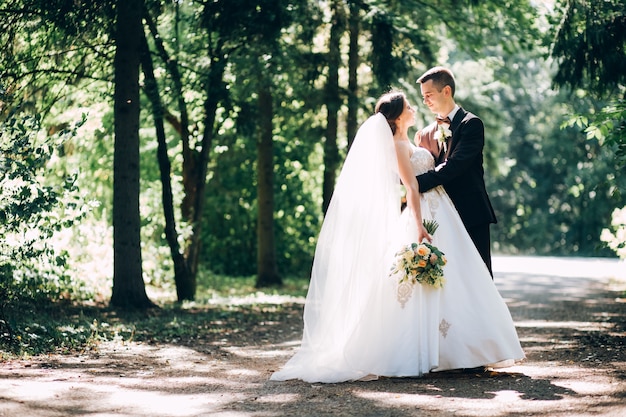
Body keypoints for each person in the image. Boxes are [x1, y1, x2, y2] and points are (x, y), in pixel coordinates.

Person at [270, 91, 524, 384]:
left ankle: (459, 351)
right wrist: (419, 226)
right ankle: (427, 351)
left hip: (443, 210)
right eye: (409, 105)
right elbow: (411, 188)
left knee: (459, 275)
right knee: (423, 281)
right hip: (425, 215)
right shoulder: (398, 146)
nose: (415, 107)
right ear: (398, 115)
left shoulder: (414, 139)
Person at [415, 67, 497, 276]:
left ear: (447, 91)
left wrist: (415, 183)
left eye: (429, 95)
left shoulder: (472, 124)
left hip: (470, 212)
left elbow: (455, 166)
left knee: (479, 276)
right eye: (423, 97)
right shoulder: (424, 134)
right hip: (439, 217)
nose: (425, 101)